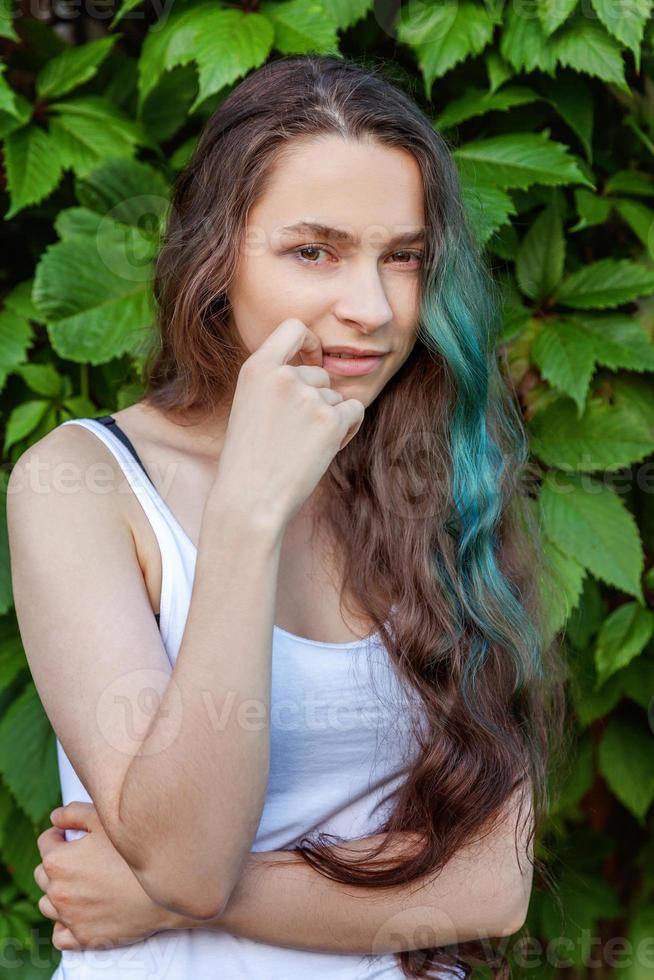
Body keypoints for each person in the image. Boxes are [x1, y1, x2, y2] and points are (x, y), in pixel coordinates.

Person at [7, 54, 569, 980]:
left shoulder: (442, 476)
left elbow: (491, 890)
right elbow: (186, 850)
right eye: (314, 251)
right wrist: (248, 516)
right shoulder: (83, 482)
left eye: (404, 258)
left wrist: (160, 894)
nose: (372, 309)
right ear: (215, 257)